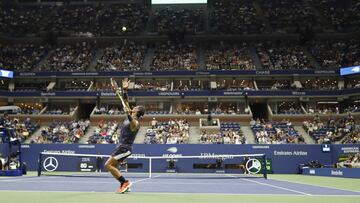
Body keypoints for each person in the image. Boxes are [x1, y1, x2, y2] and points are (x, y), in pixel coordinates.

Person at [105, 78, 145, 194]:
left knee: (108, 164)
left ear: (137, 112)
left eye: (136, 108)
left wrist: (128, 113)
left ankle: (125, 182)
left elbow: (132, 122)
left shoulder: (136, 123)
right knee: (113, 166)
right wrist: (125, 90)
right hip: (121, 147)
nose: (134, 107)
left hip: (125, 148)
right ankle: (124, 184)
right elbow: (125, 100)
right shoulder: (130, 114)